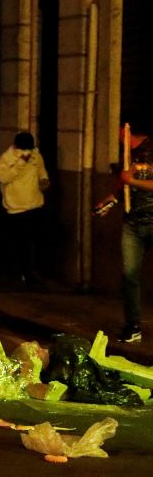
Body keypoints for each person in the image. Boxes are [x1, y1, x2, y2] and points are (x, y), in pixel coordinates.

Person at [94, 121, 153, 343]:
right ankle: (134, 326)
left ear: (126, 130)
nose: (118, 138)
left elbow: (133, 181)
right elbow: (123, 187)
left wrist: (134, 180)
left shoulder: (150, 149)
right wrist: (108, 202)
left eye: (119, 132)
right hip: (132, 223)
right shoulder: (128, 154)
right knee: (129, 275)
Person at [0, 131, 50, 287]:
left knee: (34, 241)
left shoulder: (36, 156)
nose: (26, 152)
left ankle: (32, 272)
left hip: (35, 205)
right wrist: (20, 163)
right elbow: (3, 177)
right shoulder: (7, 159)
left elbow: (42, 174)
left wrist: (44, 182)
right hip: (16, 208)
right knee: (20, 243)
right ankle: (19, 273)